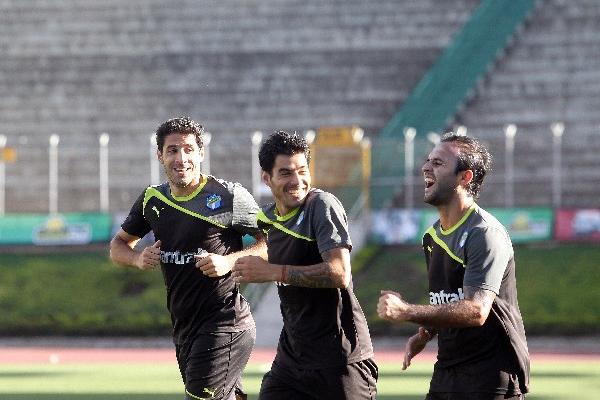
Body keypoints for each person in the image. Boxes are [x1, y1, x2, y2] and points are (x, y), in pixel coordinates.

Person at [110, 116, 265, 400]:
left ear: (201, 153)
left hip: (225, 322)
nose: (181, 158)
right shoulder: (152, 200)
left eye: (189, 149)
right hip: (184, 327)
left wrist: (228, 261)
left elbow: (270, 243)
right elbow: (118, 245)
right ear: (160, 155)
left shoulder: (229, 196)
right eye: (172, 150)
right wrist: (137, 259)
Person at [377, 133, 530, 400]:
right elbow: (450, 298)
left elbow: (475, 310)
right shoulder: (431, 237)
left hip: (490, 376)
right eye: (427, 160)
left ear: (465, 177)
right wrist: (426, 332)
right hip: (448, 371)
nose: (426, 167)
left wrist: (407, 311)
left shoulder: (484, 233)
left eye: (438, 162)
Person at [231, 131, 378, 400]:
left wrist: (273, 272)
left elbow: (339, 272)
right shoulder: (266, 219)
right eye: (286, 173)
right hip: (292, 360)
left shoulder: (321, 205)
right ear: (267, 178)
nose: (297, 180)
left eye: (302, 170)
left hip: (341, 360)